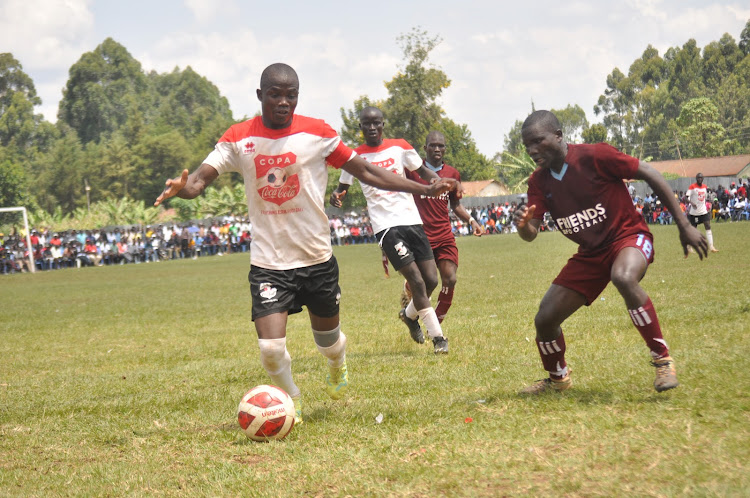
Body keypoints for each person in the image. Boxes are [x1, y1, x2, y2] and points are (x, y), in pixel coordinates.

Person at [154, 64, 455, 423]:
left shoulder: (318, 133)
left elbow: (369, 172)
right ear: (259, 95)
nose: (284, 102)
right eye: (275, 94)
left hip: (316, 257)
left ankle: (337, 364)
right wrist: (181, 190)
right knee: (270, 348)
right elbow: (199, 181)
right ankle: (290, 404)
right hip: (269, 261)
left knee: (328, 342)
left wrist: (425, 187)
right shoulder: (239, 137)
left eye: (291, 94)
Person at [513, 110, 708, 394]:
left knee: (624, 277)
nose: (531, 150)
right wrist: (522, 226)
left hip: (628, 237)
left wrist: (684, 225)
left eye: (537, 141)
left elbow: (650, 173)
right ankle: (558, 380)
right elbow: (530, 232)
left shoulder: (595, 156)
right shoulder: (538, 182)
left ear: (558, 135)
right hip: (591, 254)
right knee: (545, 318)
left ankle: (662, 360)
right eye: (527, 145)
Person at [329, 106, 452, 354]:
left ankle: (409, 316)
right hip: (386, 227)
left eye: (376, 123)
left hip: (412, 221)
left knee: (431, 280)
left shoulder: (400, 146)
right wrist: (336, 195)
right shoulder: (353, 157)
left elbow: (421, 170)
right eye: (367, 124)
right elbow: (343, 187)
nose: (372, 127)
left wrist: (436, 181)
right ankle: (438, 338)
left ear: (383, 125)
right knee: (416, 281)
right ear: (361, 127)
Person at [399, 130, 483, 324]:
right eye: (433, 145)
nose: (437, 149)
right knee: (425, 286)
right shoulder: (411, 171)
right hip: (420, 236)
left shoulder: (453, 174)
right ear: (425, 148)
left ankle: (436, 324)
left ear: (445, 148)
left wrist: (471, 221)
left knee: (450, 278)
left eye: (441, 146)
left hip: (444, 235)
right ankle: (410, 300)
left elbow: (455, 205)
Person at [686, 173, 719, 252]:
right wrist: (691, 203)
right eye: (698, 178)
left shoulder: (705, 187)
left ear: (703, 179)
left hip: (703, 211)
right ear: (696, 178)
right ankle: (689, 246)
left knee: (708, 226)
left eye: (701, 178)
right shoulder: (692, 187)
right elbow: (686, 198)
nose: (700, 179)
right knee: (693, 229)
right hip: (694, 213)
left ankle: (711, 246)